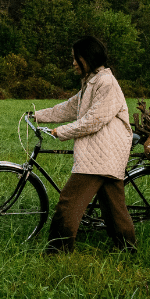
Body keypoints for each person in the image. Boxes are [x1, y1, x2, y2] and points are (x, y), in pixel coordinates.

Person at [34, 36, 136, 254]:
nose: (72, 63)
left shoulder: (106, 83)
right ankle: (127, 250)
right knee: (114, 209)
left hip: (101, 154)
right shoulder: (93, 81)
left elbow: (93, 120)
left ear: (87, 58)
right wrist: (38, 116)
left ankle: (57, 252)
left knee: (69, 201)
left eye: (75, 58)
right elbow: (70, 107)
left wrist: (61, 131)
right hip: (104, 154)